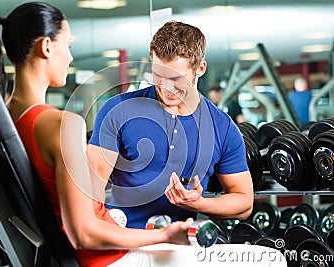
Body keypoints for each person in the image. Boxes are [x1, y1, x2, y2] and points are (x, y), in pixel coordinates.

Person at [0, 3, 205, 267]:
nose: (71, 57)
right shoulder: (62, 124)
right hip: (108, 259)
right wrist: (162, 235)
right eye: (68, 45)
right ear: (47, 47)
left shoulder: (3, 122)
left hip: (96, 249)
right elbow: (83, 233)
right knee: (260, 257)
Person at [87, 21, 254, 230]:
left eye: (176, 79)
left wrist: (201, 203)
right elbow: (89, 188)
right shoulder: (119, 110)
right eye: (158, 75)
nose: (166, 87)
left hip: (181, 242)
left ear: (200, 69)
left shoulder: (222, 127)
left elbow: (244, 202)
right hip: (124, 238)